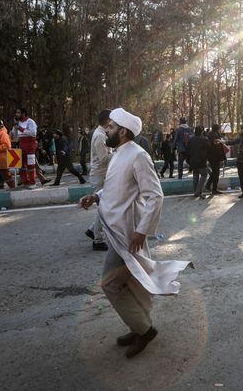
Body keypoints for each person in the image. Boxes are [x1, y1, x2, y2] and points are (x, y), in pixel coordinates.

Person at [79, 108, 191, 358]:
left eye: (109, 127)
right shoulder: (118, 154)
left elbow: (155, 195)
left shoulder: (138, 155)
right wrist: (95, 196)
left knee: (110, 284)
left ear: (122, 131)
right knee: (132, 282)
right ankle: (138, 326)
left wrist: (142, 231)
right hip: (117, 230)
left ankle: (145, 329)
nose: (105, 130)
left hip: (128, 234)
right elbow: (115, 190)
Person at [86, 109, 112, 250]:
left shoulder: (101, 134)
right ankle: (97, 239)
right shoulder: (100, 136)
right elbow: (104, 159)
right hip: (100, 175)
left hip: (101, 175)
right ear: (107, 120)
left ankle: (92, 229)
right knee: (104, 208)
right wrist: (120, 154)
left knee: (104, 207)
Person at [12, 107, 38, 187]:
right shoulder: (18, 123)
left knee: (30, 164)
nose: (17, 114)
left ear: (23, 114)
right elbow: (15, 135)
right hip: (21, 144)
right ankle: (25, 182)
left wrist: (20, 128)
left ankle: (32, 183)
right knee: (21, 164)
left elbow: (33, 133)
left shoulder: (30, 121)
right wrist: (15, 126)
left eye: (18, 112)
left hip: (30, 144)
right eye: (16, 113)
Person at [186, 126, 210, 198]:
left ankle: (196, 192)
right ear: (202, 132)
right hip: (201, 161)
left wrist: (188, 161)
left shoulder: (191, 140)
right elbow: (209, 147)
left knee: (195, 175)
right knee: (204, 175)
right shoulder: (204, 139)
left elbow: (187, 151)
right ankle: (198, 191)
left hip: (192, 161)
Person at [206, 123, 226, 195]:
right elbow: (219, 148)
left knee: (214, 172)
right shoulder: (216, 135)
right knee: (216, 173)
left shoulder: (209, 135)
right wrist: (222, 158)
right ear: (217, 129)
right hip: (216, 157)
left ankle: (208, 185)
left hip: (210, 157)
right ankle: (214, 189)